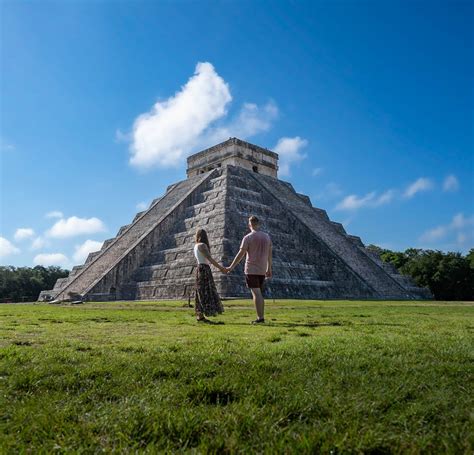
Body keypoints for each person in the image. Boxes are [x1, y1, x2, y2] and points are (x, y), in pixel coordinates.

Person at [226, 216, 272, 324]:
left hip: (251, 269)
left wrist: (231, 267)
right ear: (259, 224)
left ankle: (260, 318)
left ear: (249, 225)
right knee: (259, 293)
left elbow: (241, 254)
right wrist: (269, 268)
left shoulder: (248, 237)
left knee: (256, 293)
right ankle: (261, 316)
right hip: (262, 269)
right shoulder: (267, 237)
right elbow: (270, 254)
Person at [193, 228, 226, 323]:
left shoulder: (196, 246)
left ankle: (200, 315)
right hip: (204, 269)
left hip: (199, 268)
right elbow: (210, 259)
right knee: (206, 290)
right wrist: (221, 268)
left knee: (200, 291)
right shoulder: (202, 245)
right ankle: (202, 313)